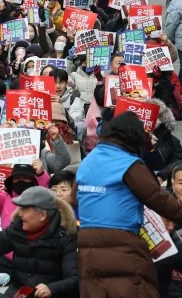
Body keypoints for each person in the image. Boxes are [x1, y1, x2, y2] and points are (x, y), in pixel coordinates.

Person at [75, 112, 182, 297]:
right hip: (121, 242)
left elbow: (75, 196)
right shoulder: (128, 164)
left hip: (86, 243)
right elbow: (157, 198)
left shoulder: (87, 161)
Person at [0, 187, 79, 298]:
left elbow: (74, 279)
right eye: (20, 208)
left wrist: (52, 288)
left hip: (49, 294)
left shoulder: (65, 237)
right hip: (18, 290)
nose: (20, 214)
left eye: (24, 209)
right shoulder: (17, 229)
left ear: (42, 215)